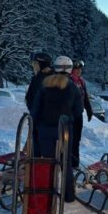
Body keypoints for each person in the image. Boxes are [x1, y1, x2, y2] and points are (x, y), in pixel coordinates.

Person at [31, 55, 82, 202]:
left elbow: (35, 109)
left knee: (48, 162)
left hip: (45, 130)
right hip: (64, 130)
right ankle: (68, 195)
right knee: (65, 162)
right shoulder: (72, 87)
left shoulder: (45, 85)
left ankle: (46, 193)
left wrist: (37, 125)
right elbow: (78, 110)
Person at [70, 59, 93, 168]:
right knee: (71, 139)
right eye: (76, 69)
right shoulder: (69, 80)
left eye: (80, 69)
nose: (78, 71)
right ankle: (69, 162)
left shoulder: (81, 81)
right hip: (70, 115)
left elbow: (85, 97)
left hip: (79, 114)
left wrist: (89, 110)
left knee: (77, 139)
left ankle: (75, 163)